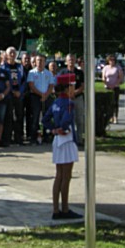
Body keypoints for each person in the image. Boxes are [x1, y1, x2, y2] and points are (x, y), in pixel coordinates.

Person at [41, 72, 82, 220]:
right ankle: (64, 209)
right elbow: (66, 120)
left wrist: (53, 129)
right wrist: (62, 128)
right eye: (72, 86)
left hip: (57, 141)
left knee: (58, 176)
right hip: (67, 140)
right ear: (66, 88)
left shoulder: (56, 102)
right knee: (66, 177)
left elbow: (45, 119)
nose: (74, 89)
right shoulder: (69, 103)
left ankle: (56, 209)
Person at [27, 54, 54, 145]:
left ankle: (46, 136)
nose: (39, 62)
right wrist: (40, 94)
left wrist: (46, 95)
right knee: (35, 118)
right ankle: (33, 138)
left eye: (41, 60)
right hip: (35, 96)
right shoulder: (31, 72)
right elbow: (31, 85)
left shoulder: (48, 73)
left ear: (45, 62)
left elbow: (51, 85)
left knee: (47, 117)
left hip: (46, 96)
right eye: (38, 60)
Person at [59, 53, 85, 147]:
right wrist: (69, 94)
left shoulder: (79, 73)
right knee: (69, 120)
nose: (71, 61)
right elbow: (60, 86)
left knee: (80, 120)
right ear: (66, 61)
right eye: (69, 60)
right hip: (67, 100)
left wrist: (74, 93)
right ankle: (70, 139)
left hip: (78, 98)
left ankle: (80, 139)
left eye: (73, 60)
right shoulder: (62, 73)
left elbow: (82, 86)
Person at [2, 47, 26, 146]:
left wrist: (19, 91)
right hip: (8, 95)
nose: (12, 54)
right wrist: (11, 91)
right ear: (7, 55)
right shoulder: (3, 67)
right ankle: (7, 139)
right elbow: (3, 82)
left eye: (14, 53)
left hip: (19, 95)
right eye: (10, 53)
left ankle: (18, 138)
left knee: (19, 116)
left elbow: (24, 80)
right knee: (8, 117)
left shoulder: (20, 67)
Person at [101, 55, 124, 124]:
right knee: (108, 103)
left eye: (113, 60)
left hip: (115, 87)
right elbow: (103, 77)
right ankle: (109, 117)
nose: (112, 61)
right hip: (107, 87)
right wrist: (107, 84)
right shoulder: (105, 68)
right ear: (108, 61)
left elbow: (120, 77)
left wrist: (115, 84)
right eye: (110, 60)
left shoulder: (118, 67)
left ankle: (115, 117)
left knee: (115, 103)